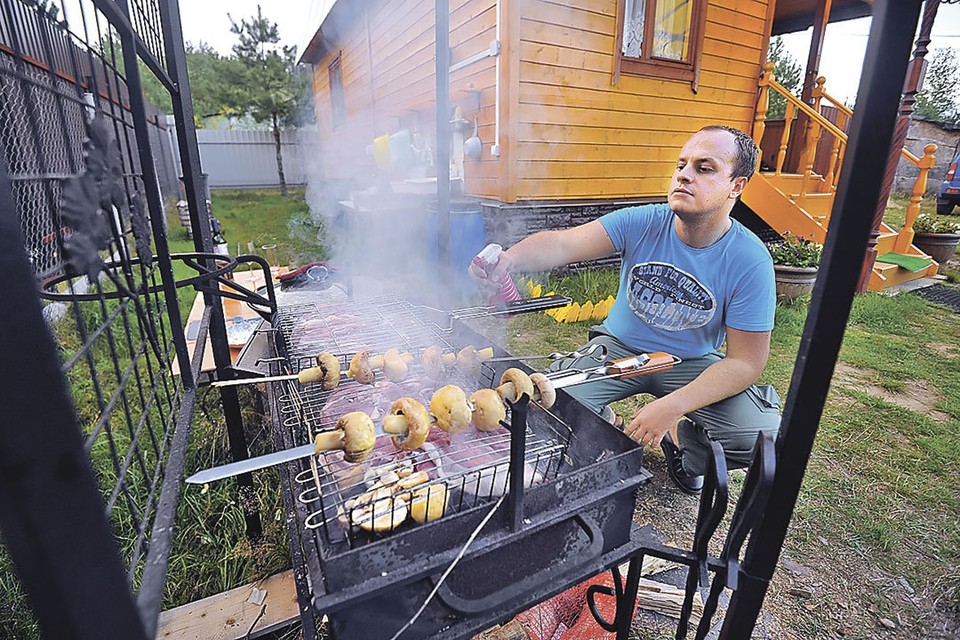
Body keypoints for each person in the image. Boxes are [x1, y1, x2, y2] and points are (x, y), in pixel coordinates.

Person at [469, 125, 781, 494]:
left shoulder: (750, 260)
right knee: (544, 405)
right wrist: (509, 258)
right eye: (681, 165)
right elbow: (564, 245)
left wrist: (674, 406)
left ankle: (686, 447)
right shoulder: (644, 221)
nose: (684, 174)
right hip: (617, 348)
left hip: (689, 363)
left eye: (705, 167)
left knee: (760, 434)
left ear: (737, 185)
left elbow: (746, 362)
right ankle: (606, 423)